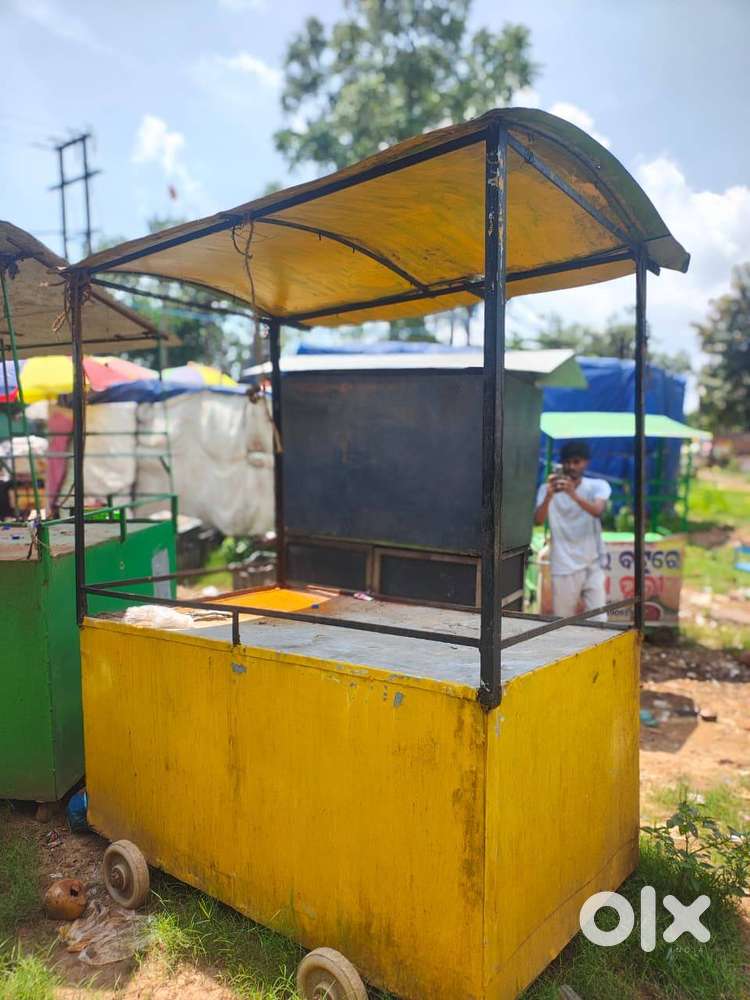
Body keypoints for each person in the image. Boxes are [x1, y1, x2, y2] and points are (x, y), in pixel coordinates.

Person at [534, 439, 611, 618]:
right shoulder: (546, 489)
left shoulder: (597, 486)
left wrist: (573, 495)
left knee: (600, 618)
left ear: (586, 462)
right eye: (567, 462)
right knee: (563, 621)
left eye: (576, 462)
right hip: (563, 565)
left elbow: (597, 511)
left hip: (592, 562)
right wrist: (548, 497)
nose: (571, 466)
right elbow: (538, 521)